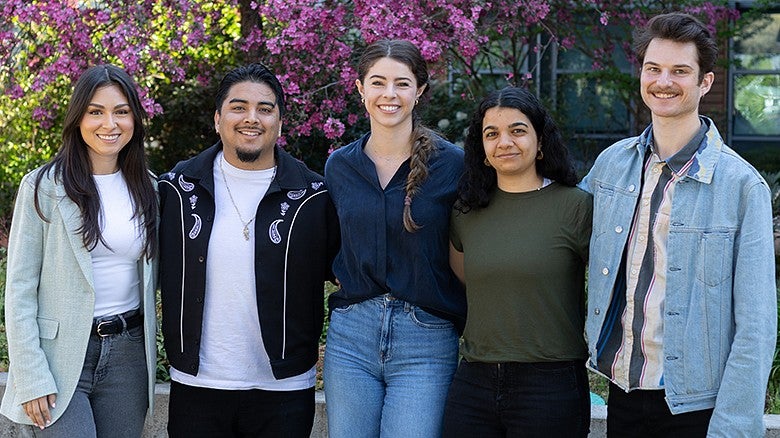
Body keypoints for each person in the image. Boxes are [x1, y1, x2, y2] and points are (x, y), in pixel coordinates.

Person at [579, 12, 777, 436]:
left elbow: (756, 325)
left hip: (697, 409)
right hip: (624, 394)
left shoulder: (741, 186)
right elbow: (554, 233)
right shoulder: (612, 165)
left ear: (705, 82)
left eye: (680, 71)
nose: (663, 81)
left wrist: (733, 426)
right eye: (653, 68)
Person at [158, 63, 339, 438]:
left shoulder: (314, 196)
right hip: (197, 385)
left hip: (284, 389)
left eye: (265, 108)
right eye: (238, 107)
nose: (251, 118)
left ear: (280, 122)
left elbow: (347, 274)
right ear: (217, 118)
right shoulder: (176, 190)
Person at [1, 65, 158, 437]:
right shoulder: (43, 186)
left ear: (134, 117)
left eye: (121, 111)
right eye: (96, 111)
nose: (110, 123)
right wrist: (30, 375)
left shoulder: (150, 188)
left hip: (128, 355)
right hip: (59, 355)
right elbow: (20, 289)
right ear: (78, 118)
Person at [323, 39, 466, 437]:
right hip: (351, 336)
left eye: (402, 84)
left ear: (419, 91)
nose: (390, 95)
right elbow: (331, 245)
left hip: (426, 338)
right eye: (378, 82)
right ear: (360, 89)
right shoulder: (339, 166)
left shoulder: (452, 165)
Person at [441, 86, 592, 437]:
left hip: (550, 384)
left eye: (518, 130)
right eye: (491, 134)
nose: (504, 142)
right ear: (482, 150)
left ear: (540, 143)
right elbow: (464, 275)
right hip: (474, 380)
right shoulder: (466, 211)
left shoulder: (575, 206)